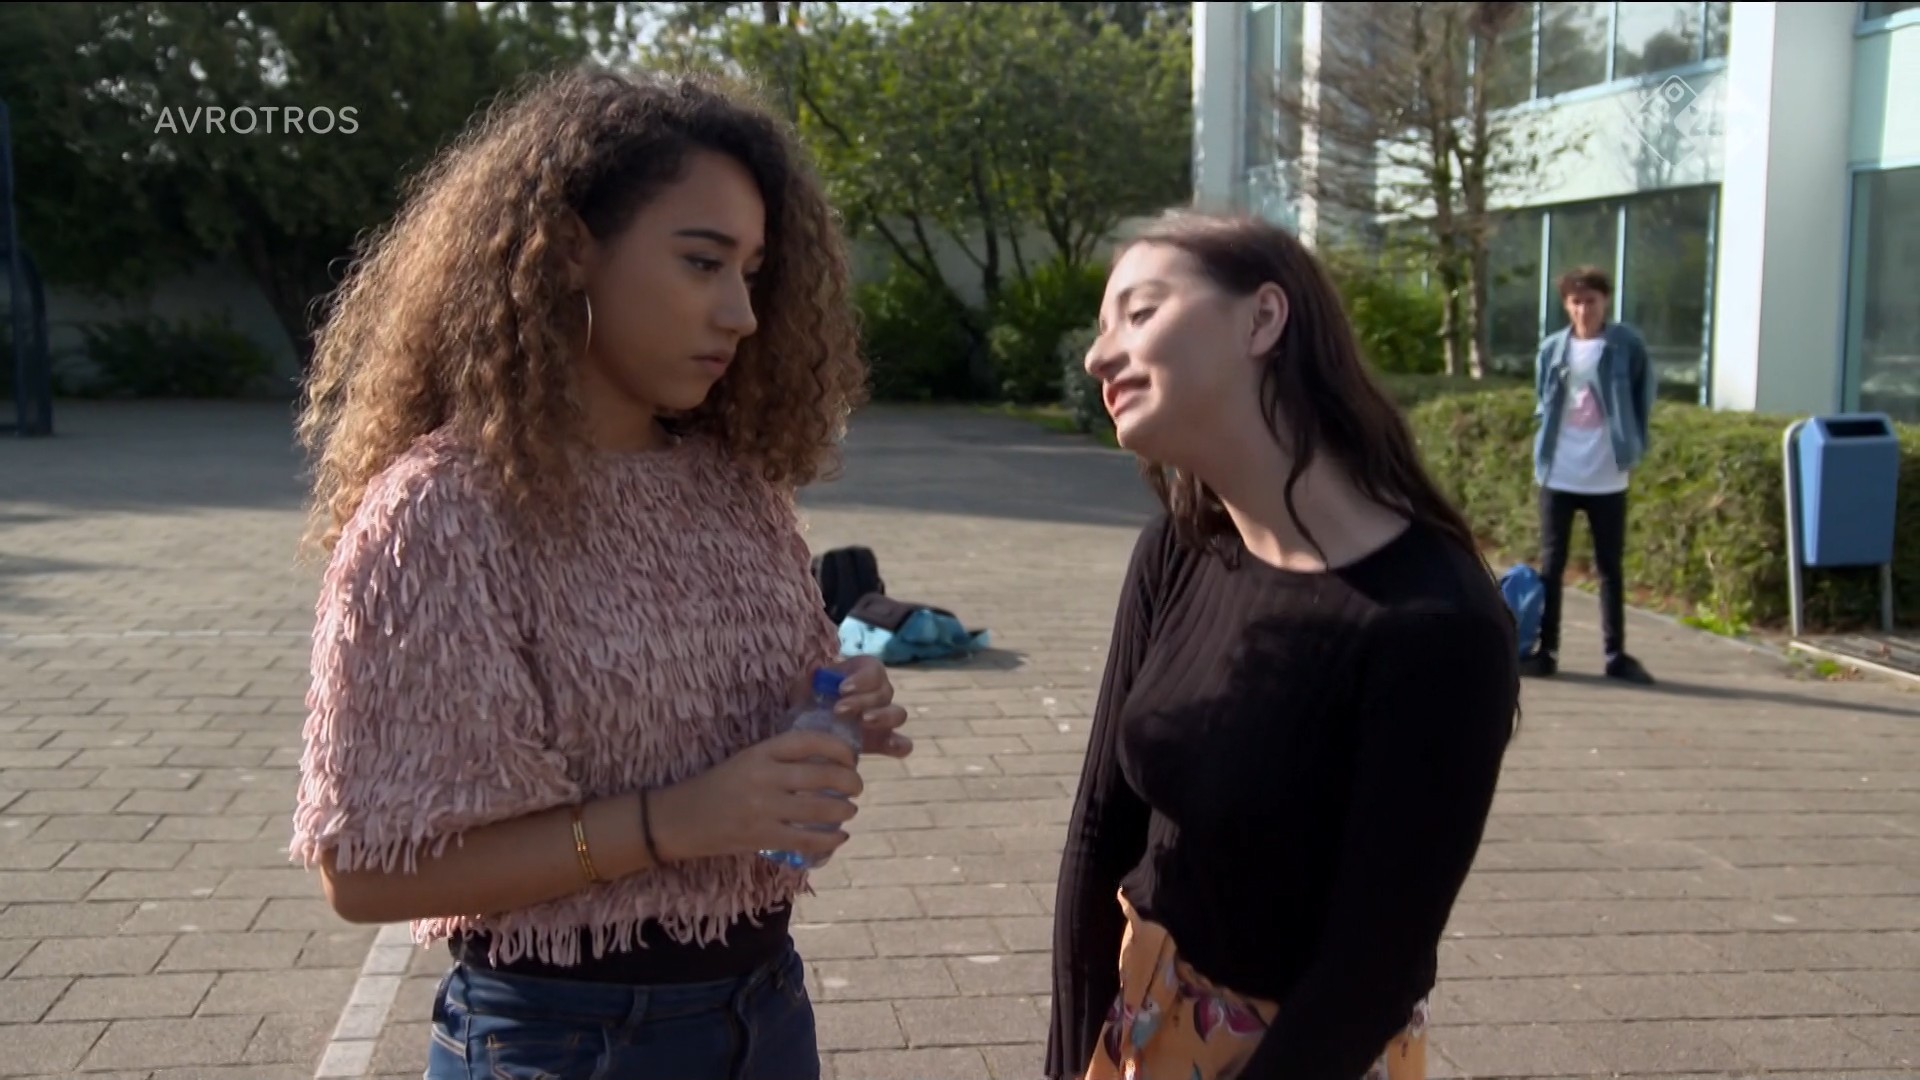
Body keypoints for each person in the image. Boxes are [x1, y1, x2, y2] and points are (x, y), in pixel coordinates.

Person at [288, 66, 910, 1080]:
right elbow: (361, 875)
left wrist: (830, 711)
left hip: (768, 1012)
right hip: (562, 1041)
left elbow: (732, 736)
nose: (743, 314)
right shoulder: (442, 514)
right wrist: (678, 823)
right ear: (571, 248)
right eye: (702, 262)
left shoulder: (736, 487)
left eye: (753, 273)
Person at [1047, 211, 1520, 1080]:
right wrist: (1070, 1058)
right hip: (1135, 1029)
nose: (1098, 356)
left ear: (1263, 319)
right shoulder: (1179, 548)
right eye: (1101, 327)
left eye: (1139, 313)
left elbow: (1371, 971)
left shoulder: (1437, 624)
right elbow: (1100, 834)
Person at [1523, 265, 1656, 684]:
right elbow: (1543, 400)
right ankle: (1548, 651)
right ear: (1566, 305)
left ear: (1605, 301)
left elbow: (1643, 396)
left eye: (1591, 301)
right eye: (1576, 302)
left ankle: (1615, 654)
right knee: (1552, 564)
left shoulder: (1626, 345)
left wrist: (1632, 444)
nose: (1584, 310)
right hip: (1558, 471)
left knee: (1609, 567)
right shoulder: (1552, 349)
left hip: (1607, 475)